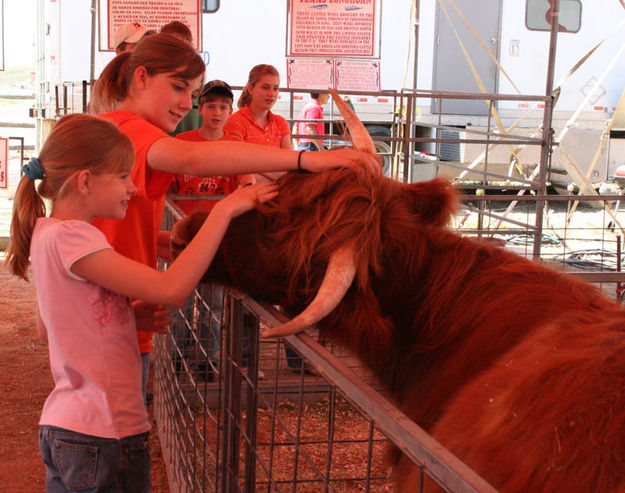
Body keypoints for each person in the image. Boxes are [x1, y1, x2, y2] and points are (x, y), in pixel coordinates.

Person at [88, 34, 378, 401]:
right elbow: (194, 158)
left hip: (120, 316)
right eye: (178, 88)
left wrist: (164, 244)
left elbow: (122, 231)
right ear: (141, 77)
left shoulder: (132, 132)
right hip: (105, 323)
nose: (185, 104)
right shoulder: (129, 130)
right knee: (114, 439)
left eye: (191, 94)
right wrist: (307, 161)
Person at [3, 113, 278, 492]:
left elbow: (50, 327)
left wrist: (124, 318)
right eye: (121, 177)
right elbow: (171, 290)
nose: (132, 189)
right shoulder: (77, 239)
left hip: (70, 428)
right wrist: (226, 210)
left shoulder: (48, 233)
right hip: (106, 432)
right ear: (85, 181)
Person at [224, 64, 311, 373]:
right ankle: (245, 362)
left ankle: (300, 360)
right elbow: (240, 164)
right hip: (251, 211)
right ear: (250, 88)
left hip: (279, 211)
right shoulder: (235, 122)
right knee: (250, 287)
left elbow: (290, 164)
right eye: (265, 87)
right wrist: (268, 180)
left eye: (275, 88)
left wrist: (283, 183)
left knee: (290, 284)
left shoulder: (281, 122)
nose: (271, 93)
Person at [170, 79, 254, 380]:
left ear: (231, 111)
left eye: (223, 106)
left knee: (213, 303)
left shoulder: (235, 149)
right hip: (184, 235)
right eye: (211, 106)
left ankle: (206, 359)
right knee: (179, 299)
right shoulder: (183, 144)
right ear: (200, 109)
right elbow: (170, 187)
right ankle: (177, 356)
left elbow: (246, 186)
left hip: (217, 238)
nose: (217, 112)